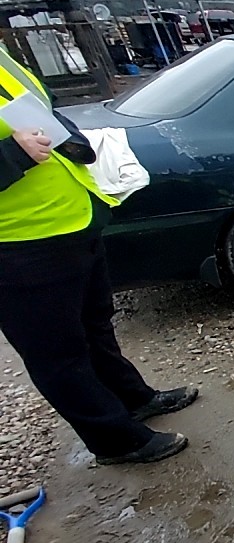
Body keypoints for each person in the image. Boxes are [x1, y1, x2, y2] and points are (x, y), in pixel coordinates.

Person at [0, 46, 196, 465]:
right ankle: (115, 441)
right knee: (58, 355)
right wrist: (12, 155)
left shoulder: (2, 56)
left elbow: (38, 110)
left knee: (95, 328)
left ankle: (133, 399)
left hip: (72, 224)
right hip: (18, 247)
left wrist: (66, 135)